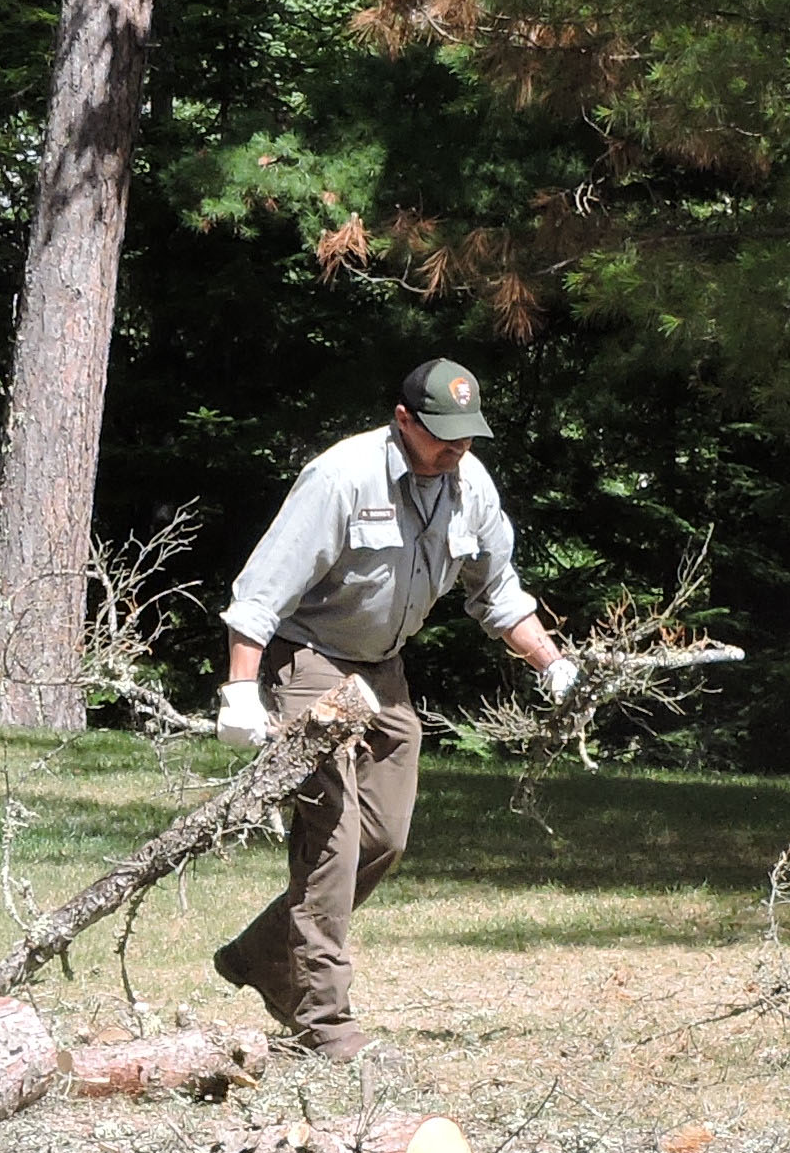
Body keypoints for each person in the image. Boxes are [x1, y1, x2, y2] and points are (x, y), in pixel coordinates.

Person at [208, 356, 578, 1058]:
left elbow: (498, 593)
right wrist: (240, 691)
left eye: (467, 435)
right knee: (332, 843)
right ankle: (325, 1022)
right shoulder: (341, 477)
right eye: (442, 434)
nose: (456, 448)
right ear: (403, 420)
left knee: (384, 840)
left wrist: (553, 664)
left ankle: (261, 956)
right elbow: (259, 592)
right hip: (309, 660)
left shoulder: (469, 486)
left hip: (383, 672)